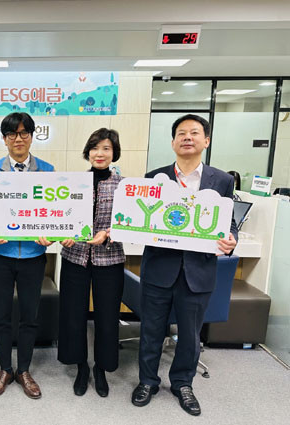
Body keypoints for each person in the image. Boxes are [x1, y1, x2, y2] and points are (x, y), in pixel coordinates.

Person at [131, 114, 238, 416]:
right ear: (173, 142)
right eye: (181, 133)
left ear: (206, 140)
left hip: (198, 271)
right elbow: (142, 217)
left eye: (194, 132)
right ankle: (147, 381)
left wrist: (231, 239)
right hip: (159, 268)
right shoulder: (154, 177)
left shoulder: (223, 180)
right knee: (151, 329)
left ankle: (182, 384)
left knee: (190, 335)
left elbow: (228, 221)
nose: (187, 137)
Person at [0, 112, 54, 399]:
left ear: (32, 137)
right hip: (0, 254)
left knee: (29, 316)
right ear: (4, 139)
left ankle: (23, 369)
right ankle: (4, 369)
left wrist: (52, 233)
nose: (18, 139)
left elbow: (54, 211)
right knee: (0, 316)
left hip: (33, 255)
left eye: (24, 133)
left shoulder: (47, 170)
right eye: (12, 134)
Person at [58, 128, 124, 397]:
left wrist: (108, 233)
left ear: (114, 153)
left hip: (109, 259)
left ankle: (101, 369)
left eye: (106, 148)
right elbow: (60, 215)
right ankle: (81, 367)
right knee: (73, 316)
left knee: (107, 318)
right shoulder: (73, 182)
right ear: (88, 152)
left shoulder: (125, 186)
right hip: (75, 258)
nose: (100, 153)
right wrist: (62, 234)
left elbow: (129, 224)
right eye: (95, 148)